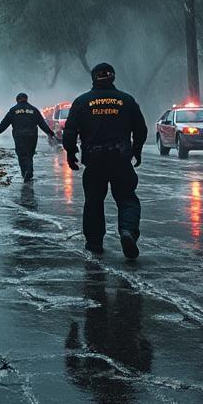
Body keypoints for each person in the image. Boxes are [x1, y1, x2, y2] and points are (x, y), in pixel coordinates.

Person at [61, 63, 148, 259]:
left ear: (93, 78)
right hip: (121, 159)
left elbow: (70, 131)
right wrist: (137, 150)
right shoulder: (126, 100)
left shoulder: (82, 102)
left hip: (94, 160)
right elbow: (141, 129)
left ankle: (94, 242)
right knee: (127, 198)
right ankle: (127, 231)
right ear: (113, 77)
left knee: (93, 201)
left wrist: (70, 152)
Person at [0, 92, 58, 182]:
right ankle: (29, 172)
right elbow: (42, 124)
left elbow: (4, 123)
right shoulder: (34, 110)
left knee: (22, 154)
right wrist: (50, 133)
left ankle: (26, 172)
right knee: (30, 154)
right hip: (32, 135)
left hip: (19, 135)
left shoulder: (13, 110)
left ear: (17, 100)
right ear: (26, 99)